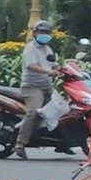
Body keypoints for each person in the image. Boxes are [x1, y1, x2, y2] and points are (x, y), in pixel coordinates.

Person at [15, 20, 60, 159]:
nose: (44, 35)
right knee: (34, 112)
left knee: (61, 108)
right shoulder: (30, 48)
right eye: (41, 32)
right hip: (32, 87)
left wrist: (61, 69)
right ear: (34, 33)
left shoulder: (48, 49)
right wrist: (49, 71)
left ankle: (61, 143)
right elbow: (32, 66)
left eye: (46, 32)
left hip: (47, 87)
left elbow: (54, 65)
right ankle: (20, 143)